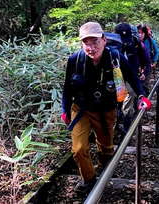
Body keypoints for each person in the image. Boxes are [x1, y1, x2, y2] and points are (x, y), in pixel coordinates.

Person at [60, 22, 152, 192]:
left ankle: (105, 167)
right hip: (81, 109)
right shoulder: (75, 60)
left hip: (106, 110)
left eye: (94, 42)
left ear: (104, 40)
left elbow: (132, 78)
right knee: (79, 149)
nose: (91, 47)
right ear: (82, 44)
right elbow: (67, 88)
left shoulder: (115, 57)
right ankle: (89, 180)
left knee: (106, 148)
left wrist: (141, 96)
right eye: (86, 43)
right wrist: (64, 109)